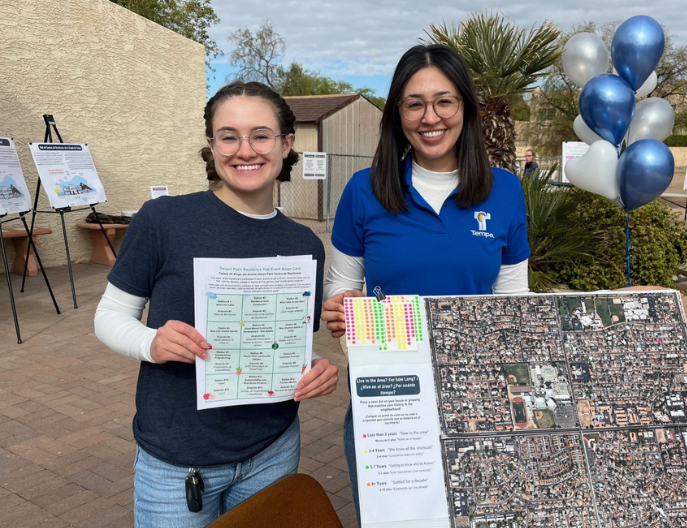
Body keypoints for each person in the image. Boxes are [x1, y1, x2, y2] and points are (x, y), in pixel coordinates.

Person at [94, 80, 339, 527]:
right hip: (178, 460)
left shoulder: (305, 243)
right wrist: (152, 342)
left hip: (273, 448)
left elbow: (286, 339)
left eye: (260, 135)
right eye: (229, 136)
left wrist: (317, 365)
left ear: (286, 144)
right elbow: (109, 316)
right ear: (212, 145)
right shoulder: (165, 219)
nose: (245, 150)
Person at [320, 44, 531, 524]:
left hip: (479, 397)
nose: (429, 116)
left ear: (465, 109)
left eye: (444, 101)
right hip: (388, 402)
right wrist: (339, 310)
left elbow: (517, 305)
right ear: (398, 112)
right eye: (414, 103)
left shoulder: (505, 191)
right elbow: (342, 291)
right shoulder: (363, 189)